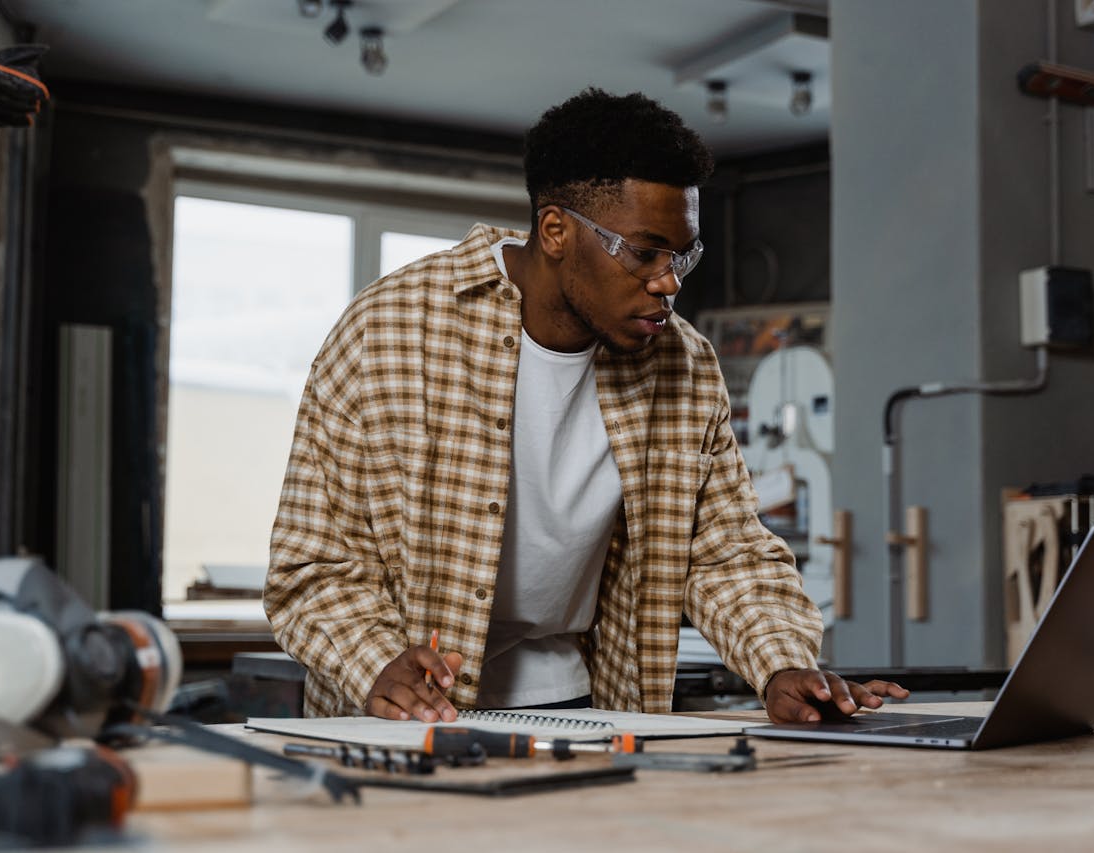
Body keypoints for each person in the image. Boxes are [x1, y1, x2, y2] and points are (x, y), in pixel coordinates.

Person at [264, 87, 908, 723]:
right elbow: (312, 567)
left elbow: (726, 553)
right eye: (645, 251)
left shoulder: (683, 364)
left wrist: (780, 664)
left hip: (586, 707)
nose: (669, 281)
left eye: (683, 253)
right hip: (405, 722)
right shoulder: (391, 330)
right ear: (555, 231)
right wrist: (376, 661)